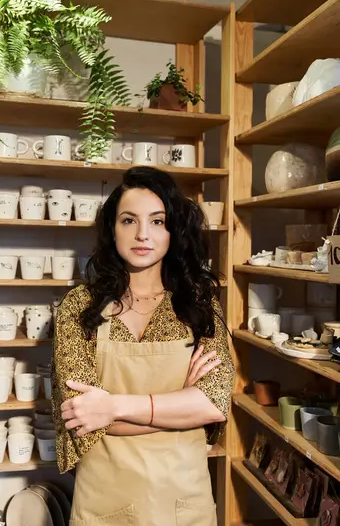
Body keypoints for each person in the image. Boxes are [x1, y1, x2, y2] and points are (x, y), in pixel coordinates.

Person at [51, 166, 234, 526]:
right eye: (128, 220)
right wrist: (181, 403)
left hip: (183, 503)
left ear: (173, 231)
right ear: (112, 230)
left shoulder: (197, 303)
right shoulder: (80, 305)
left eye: (157, 221)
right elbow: (83, 417)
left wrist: (113, 406)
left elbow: (214, 403)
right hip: (105, 502)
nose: (142, 235)